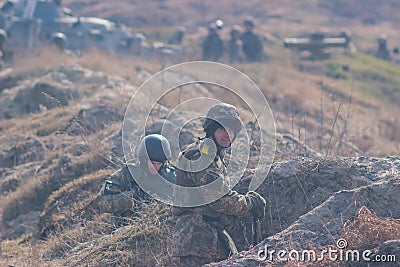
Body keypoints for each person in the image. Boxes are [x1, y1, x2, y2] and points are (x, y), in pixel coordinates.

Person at [171, 103, 267, 266]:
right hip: (197, 240)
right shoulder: (202, 157)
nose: (227, 134)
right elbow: (220, 200)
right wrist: (250, 202)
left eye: (231, 130)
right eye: (222, 129)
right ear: (211, 130)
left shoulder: (212, 154)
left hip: (206, 237)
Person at [90, 134, 176, 227]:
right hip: (126, 229)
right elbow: (100, 203)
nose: (156, 167)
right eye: (153, 163)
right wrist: (132, 198)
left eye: (159, 163)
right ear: (144, 159)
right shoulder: (126, 174)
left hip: (162, 226)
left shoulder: (170, 176)